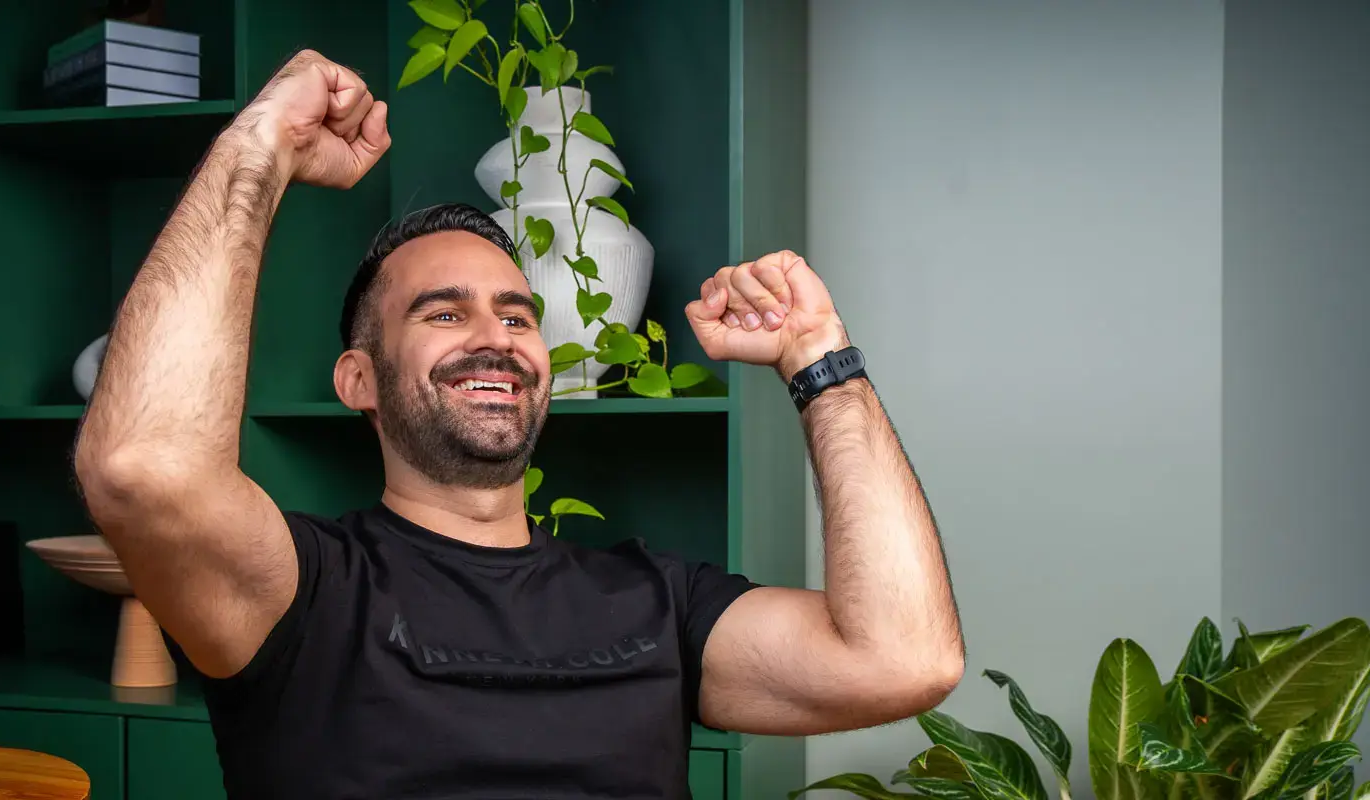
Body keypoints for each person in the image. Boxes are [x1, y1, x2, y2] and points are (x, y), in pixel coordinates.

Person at [72, 49, 964, 800]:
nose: (497, 338)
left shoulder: (659, 603)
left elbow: (903, 659)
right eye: (444, 314)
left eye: (517, 314)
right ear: (358, 380)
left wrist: (821, 360)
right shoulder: (298, 594)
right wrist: (260, 145)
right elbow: (144, 465)